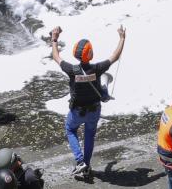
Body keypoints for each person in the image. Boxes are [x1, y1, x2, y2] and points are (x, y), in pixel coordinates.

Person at [51, 24, 126, 181]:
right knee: (89, 135)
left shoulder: (71, 70)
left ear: (75, 54)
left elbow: (56, 56)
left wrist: (54, 38)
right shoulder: (97, 68)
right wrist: (122, 38)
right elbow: (115, 55)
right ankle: (86, 164)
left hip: (77, 111)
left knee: (70, 130)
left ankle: (80, 161)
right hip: (94, 110)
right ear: (90, 54)